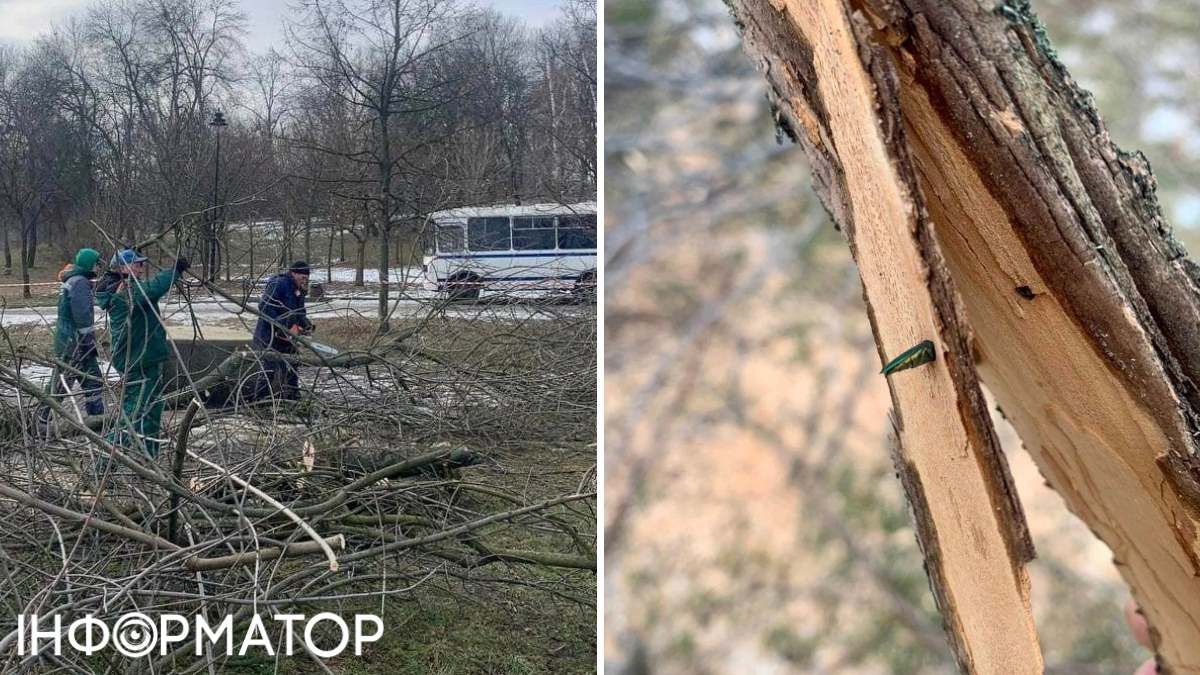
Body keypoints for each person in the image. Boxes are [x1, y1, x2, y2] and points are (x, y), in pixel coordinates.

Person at [95, 249, 188, 458]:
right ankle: (103, 465)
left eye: (140, 264)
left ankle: (149, 460)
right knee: (134, 414)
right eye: (136, 264)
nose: (140, 267)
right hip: (137, 360)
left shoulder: (126, 286)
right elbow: (153, 289)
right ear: (122, 268)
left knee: (153, 409)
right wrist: (174, 271)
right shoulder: (124, 290)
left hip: (146, 357)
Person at [38, 248, 105, 427]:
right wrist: (87, 342)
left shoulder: (74, 280)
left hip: (69, 341)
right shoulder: (80, 283)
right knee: (61, 383)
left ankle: (98, 419)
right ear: (90, 264)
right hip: (74, 343)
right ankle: (40, 420)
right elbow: (82, 315)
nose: (98, 267)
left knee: (92, 380)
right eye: (97, 263)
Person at [251, 261, 314, 400]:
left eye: (307, 278)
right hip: (269, 335)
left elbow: (299, 312)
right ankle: (260, 400)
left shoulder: (300, 290)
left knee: (292, 364)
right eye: (302, 277)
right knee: (269, 369)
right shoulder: (279, 284)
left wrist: (306, 324)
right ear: (293, 273)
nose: (305, 280)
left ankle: (292, 395)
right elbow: (265, 307)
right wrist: (282, 326)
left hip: (287, 338)